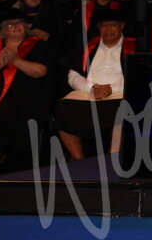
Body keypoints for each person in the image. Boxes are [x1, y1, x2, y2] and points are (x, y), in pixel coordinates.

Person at [0, 9, 49, 175]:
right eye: (10, 24)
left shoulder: (37, 45)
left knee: (3, 110)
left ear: (27, 27)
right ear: (3, 30)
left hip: (22, 94)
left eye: (20, 23)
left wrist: (16, 60)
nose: (16, 26)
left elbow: (40, 71)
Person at [55, 13, 135, 159]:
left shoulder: (134, 46)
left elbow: (137, 74)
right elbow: (73, 75)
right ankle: (78, 158)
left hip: (120, 92)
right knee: (64, 108)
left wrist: (111, 88)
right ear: (98, 27)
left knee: (124, 109)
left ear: (121, 26)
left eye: (113, 25)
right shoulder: (87, 47)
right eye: (104, 26)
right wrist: (92, 88)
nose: (108, 29)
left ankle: (113, 157)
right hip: (89, 92)